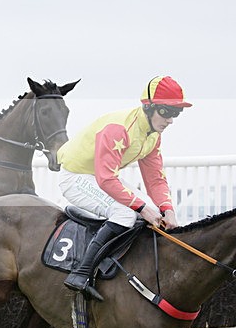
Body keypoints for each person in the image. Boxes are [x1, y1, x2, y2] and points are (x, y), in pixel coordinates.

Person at [57, 76, 191, 301]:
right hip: (76, 176)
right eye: (167, 111)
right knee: (126, 211)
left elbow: (156, 180)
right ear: (149, 107)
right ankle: (81, 272)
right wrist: (141, 208)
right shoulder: (118, 129)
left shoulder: (153, 136)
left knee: (153, 212)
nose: (170, 120)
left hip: (98, 176)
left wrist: (168, 211)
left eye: (176, 113)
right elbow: (106, 179)